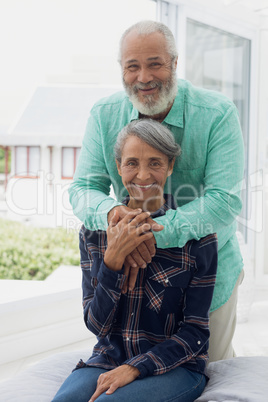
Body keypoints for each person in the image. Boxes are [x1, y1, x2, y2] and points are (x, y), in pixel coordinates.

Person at [69, 20, 244, 362]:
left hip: (207, 278)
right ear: (122, 69)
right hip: (131, 283)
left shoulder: (217, 114)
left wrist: (145, 235)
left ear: (175, 64)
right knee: (138, 375)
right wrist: (114, 217)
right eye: (132, 66)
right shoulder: (104, 116)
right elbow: (84, 188)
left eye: (155, 63)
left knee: (210, 373)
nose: (144, 77)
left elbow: (224, 202)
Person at [53, 119, 218, 402]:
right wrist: (113, 260)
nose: (142, 175)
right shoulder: (94, 233)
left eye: (155, 163)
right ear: (118, 167)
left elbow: (196, 333)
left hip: (175, 367)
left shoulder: (197, 236)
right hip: (107, 360)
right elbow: (96, 326)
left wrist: (135, 367)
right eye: (131, 163)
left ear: (170, 166)